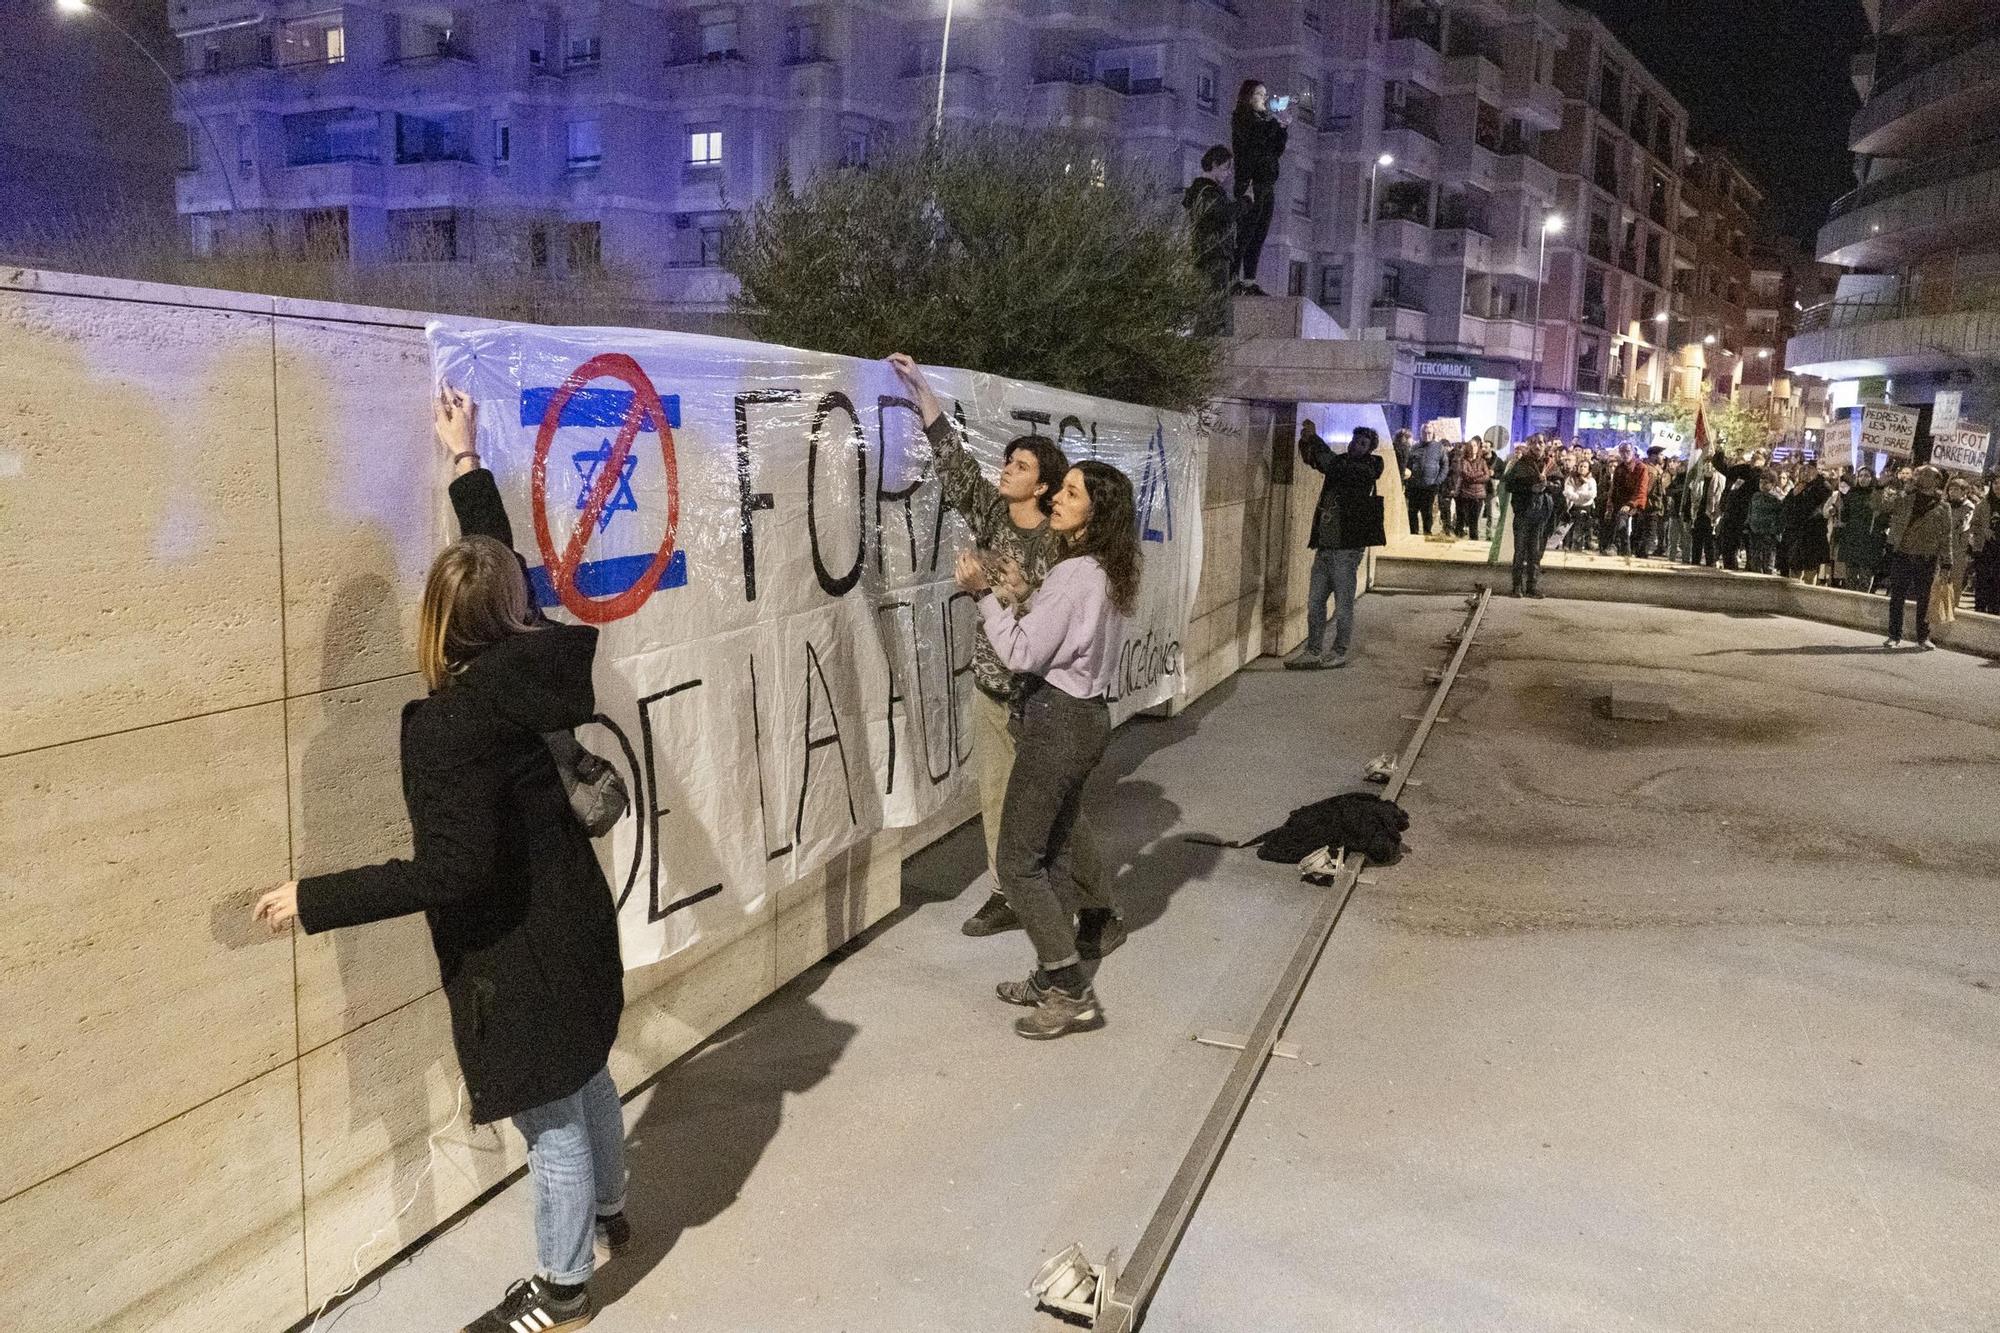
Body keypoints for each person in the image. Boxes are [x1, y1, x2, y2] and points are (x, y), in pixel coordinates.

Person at [252, 388, 629, 1333]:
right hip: (574, 915)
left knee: (551, 1117)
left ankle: (564, 1290)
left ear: (436, 622)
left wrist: (316, 896)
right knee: (585, 1072)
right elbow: (498, 571)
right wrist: (465, 463)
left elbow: (452, 872)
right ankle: (613, 1216)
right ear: (510, 608)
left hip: (519, 945)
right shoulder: (532, 659)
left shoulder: (453, 725)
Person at [885, 355, 1124, 956]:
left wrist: (1001, 595)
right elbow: (954, 462)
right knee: (1000, 796)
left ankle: (1070, 924)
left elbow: (1050, 633)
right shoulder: (994, 514)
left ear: (1044, 487)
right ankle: (1012, 893)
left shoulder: (1062, 548)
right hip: (997, 687)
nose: (1006, 470)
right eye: (1009, 461)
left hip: (1041, 695)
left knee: (1060, 817)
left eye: (1020, 466)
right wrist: (922, 391)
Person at [954, 460, 1142, 1039]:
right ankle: (1048, 973)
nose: (1057, 498)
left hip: (1057, 722)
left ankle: (1068, 987)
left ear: (1095, 512)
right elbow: (1067, 634)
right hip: (1084, 720)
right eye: (1061, 489)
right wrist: (1024, 594)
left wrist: (983, 594)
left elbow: (1022, 657)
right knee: (1055, 852)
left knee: (1017, 861)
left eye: (1070, 492)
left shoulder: (1076, 573)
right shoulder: (1105, 569)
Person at [1287, 423, 1388, 670]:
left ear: (1370, 449)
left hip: (1347, 548)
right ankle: (1313, 651)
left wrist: (1315, 438)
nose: (1356, 445)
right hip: (1326, 546)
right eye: (1354, 441)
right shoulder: (1341, 462)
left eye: (1362, 443)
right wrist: (1306, 442)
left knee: (1343, 605)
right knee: (1315, 602)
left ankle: (1339, 651)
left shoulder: (1369, 467)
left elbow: (1332, 465)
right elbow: (1317, 461)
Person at [1881, 465, 1957, 649]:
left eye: (1926, 474)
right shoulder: (1906, 498)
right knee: (1897, 597)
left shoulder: (1943, 506)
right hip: (1903, 555)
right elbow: (1885, 506)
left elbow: (1946, 536)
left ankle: (1923, 637)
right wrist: (1893, 488)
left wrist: (1947, 562)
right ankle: (1894, 635)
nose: (1920, 476)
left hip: (1926, 558)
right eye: (1919, 474)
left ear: (1936, 480)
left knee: (1924, 599)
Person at [1230, 80, 1290, 294]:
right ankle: (1232, 277)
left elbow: (1275, 150)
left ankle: (1249, 280)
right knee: (1245, 232)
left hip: (1267, 183)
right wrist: (1275, 123)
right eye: (1258, 94)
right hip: (1251, 183)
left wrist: (1282, 128)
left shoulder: (1265, 121)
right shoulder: (1242, 117)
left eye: (1265, 94)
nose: (1263, 98)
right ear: (1247, 96)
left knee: (1259, 233)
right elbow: (1255, 139)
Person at [1183, 145, 1238, 311]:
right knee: (1214, 307)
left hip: (1209, 252)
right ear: (1214, 164)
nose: (1228, 173)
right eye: (1226, 167)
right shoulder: (1207, 192)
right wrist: (1245, 202)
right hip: (1214, 253)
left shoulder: (1201, 191)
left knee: (1211, 305)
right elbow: (1223, 214)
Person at [1504, 435, 1558, 597]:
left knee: (1535, 552)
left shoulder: (1550, 464)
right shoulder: (1521, 464)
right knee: (1520, 550)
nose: (1537, 446)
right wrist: (1530, 487)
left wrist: (1546, 484)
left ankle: (1532, 586)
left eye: (1540, 443)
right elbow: (1510, 485)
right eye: (1533, 443)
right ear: (1529, 446)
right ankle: (1516, 586)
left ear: (1545, 445)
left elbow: (1558, 486)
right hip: (1523, 511)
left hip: (1541, 513)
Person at [1781, 462, 1835, 585]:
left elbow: (1824, 498)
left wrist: (1817, 481)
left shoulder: (1822, 486)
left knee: (1810, 570)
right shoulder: (1797, 487)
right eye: (1803, 470)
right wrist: (1793, 495)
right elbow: (1786, 507)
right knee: (1795, 569)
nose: (1805, 473)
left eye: (1809, 470)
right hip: (1796, 534)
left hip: (1813, 535)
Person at [1832, 467, 1883, 590]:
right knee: (1850, 574)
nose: (1863, 479)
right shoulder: (1852, 493)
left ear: (1872, 478)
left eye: (1866, 476)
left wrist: (1879, 514)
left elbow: (1883, 519)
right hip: (1852, 537)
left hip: (1868, 539)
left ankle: (1862, 599)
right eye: (1860, 476)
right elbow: (1845, 516)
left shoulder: (1876, 494)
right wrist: (1838, 509)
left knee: (1865, 573)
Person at [1404, 429, 1449, 536]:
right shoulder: (1415, 447)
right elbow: (1408, 465)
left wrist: (1438, 481)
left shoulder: (1439, 448)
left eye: (1429, 432)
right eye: (1424, 432)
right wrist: (1408, 480)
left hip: (1430, 487)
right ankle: (1413, 534)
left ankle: (1427, 533)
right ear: (1420, 433)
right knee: (1412, 512)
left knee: (1427, 513)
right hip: (1414, 487)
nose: (1427, 435)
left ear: (1433, 433)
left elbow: (1445, 466)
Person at [1608, 444, 1650, 557]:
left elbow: (1641, 490)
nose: (1625, 454)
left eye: (1627, 451)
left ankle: (1620, 547)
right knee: (1615, 517)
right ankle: (1619, 547)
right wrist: (1610, 504)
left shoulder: (1641, 468)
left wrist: (1631, 504)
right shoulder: (1619, 468)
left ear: (1633, 452)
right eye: (1622, 452)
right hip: (1621, 502)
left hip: (1636, 503)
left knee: (1623, 518)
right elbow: (1614, 489)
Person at [1970, 472, 2000, 614]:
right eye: (1995, 483)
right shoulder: (1983, 504)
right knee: (1982, 581)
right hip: (1984, 549)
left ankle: (1995, 611)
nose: (1998, 487)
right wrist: (1984, 531)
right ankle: (1979, 609)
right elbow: (1973, 525)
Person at [1746, 470, 1785, 575]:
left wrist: (1775, 531)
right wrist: (1748, 525)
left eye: (1765, 483)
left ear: (1772, 484)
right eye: (1760, 482)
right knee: (1755, 561)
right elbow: (1750, 511)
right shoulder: (1755, 496)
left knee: (1768, 563)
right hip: (1755, 533)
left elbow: (1781, 518)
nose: (1762, 485)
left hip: (1769, 534)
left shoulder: (1777, 499)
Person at [1454, 440, 1492, 541]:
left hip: (1479, 495)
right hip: (1466, 494)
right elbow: (1466, 475)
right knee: (1464, 519)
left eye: (1475, 445)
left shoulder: (1482, 461)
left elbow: (1487, 476)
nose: (1473, 448)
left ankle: (1474, 542)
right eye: (1470, 446)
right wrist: (1479, 473)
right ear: (1467, 448)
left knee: (1474, 522)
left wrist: (1474, 477)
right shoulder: (1463, 461)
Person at [1561, 459, 1598, 552]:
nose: (1582, 468)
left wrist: (1579, 493)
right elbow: (1568, 491)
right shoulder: (1571, 478)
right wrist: (1577, 496)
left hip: (1587, 506)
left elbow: (1592, 494)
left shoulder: (1591, 480)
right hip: (1573, 505)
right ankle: (1567, 545)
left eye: (1585, 466)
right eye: (1581, 466)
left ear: (1589, 469)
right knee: (1570, 520)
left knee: (1582, 519)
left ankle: (1580, 543)